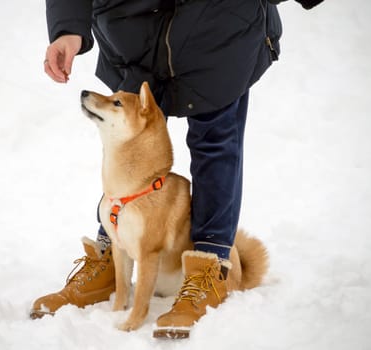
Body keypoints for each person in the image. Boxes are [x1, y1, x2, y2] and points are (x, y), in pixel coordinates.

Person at [31, 0, 324, 338]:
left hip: (219, 26)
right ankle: (113, 255)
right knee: (130, 141)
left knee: (214, 145)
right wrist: (68, 28)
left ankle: (210, 266)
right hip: (131, 27)